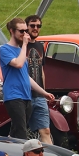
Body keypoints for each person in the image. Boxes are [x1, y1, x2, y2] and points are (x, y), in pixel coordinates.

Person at [0, 17, 56, 140]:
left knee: (16, 132)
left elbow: (26, 77)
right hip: (14, 96)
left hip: (26, 96)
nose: (25, 34)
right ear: (11, 31)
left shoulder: (20, 50)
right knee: (22, 133)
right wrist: (25, 45)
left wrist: (44, 92)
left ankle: (8, 153)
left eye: (26, 31)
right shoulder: (4, 49)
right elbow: (18, 64)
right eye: (21, 31)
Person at [24, 15, 53, 145]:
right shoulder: (20, 46)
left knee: (46, 130)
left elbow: (41, 71)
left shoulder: (40, 46)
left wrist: (44, 92)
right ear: (26, 27)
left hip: (40, 96)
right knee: (20, 131)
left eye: (38, 26)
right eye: (32, 26)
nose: (36, 28)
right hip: (24, 95)